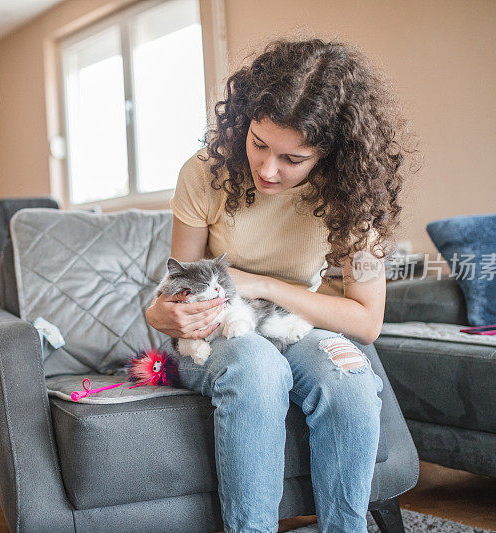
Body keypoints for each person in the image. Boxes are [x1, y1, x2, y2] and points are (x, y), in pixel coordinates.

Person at [145, 39, 415, 533]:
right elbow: (173, 291)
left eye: (293, 158)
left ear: (331, 156)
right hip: (222, 329)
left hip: (293, 322)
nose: (268, 169)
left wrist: (262, 284)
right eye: (258, 143)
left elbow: (366, 321)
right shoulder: (204, 174)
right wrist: (160, 313)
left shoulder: (357, 198)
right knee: (258, 369)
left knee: (352, 384)